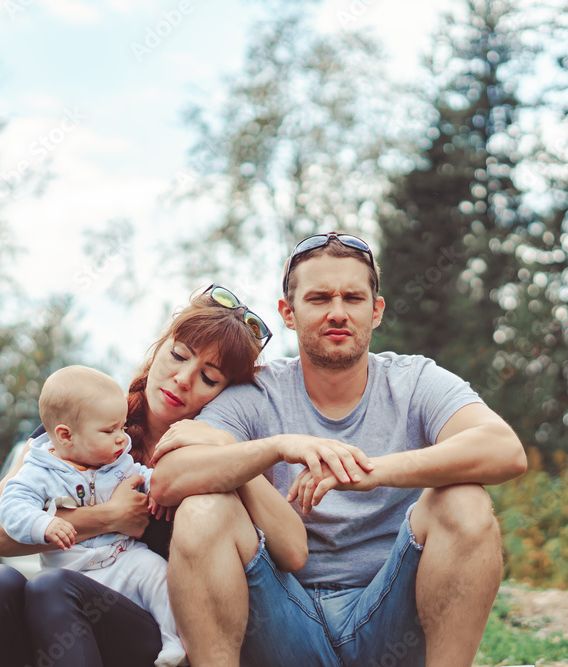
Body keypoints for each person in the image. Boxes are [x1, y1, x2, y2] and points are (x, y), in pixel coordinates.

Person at [150, 233, 529, 667]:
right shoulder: (254, 393)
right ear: (288, 314)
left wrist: (373, 470)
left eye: (352, 298)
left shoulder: (415, 381)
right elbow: (168, 479)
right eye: (318, 298)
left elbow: (504, 449)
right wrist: (272, 448)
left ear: (376, 310)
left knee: (465, 500)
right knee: (203, 509)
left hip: (390, 621)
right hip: (279, 622)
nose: (337, 313)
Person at [0, 286, 284, 667]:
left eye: (209, 378)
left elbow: (289, 551)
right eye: (178, 355)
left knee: (54, 588)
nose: (183, 379)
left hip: (159, 637)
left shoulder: (219, 456)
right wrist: (110, 517)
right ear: (159, 349)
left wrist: (241, 451)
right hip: (61, 620)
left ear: (224, 394)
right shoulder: (84, 422)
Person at [0, 365, 186, 667]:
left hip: (124, 558)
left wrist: (162, 492)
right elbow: (11, 508)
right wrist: (43, 524)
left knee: (159, 573)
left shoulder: (119, 464)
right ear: (65, 435)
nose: (121, 439)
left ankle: (175, 642)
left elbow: (148, 478)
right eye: (109, 431)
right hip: (75, 574)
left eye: (122, 428)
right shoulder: (40, 472)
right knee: (53, 597)